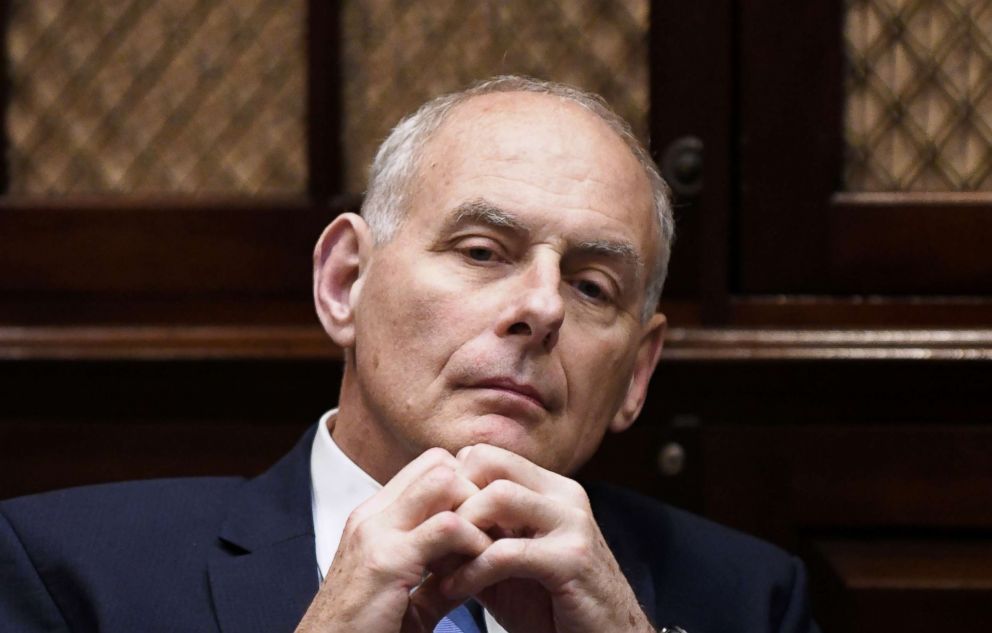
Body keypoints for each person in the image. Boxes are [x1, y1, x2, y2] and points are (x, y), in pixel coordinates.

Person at [1, 76, 819, 633]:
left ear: (637, 373)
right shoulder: (69, 573)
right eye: (482, 251)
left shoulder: (750, 599)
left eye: (593, 286)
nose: (540, 307)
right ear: (345, 281)